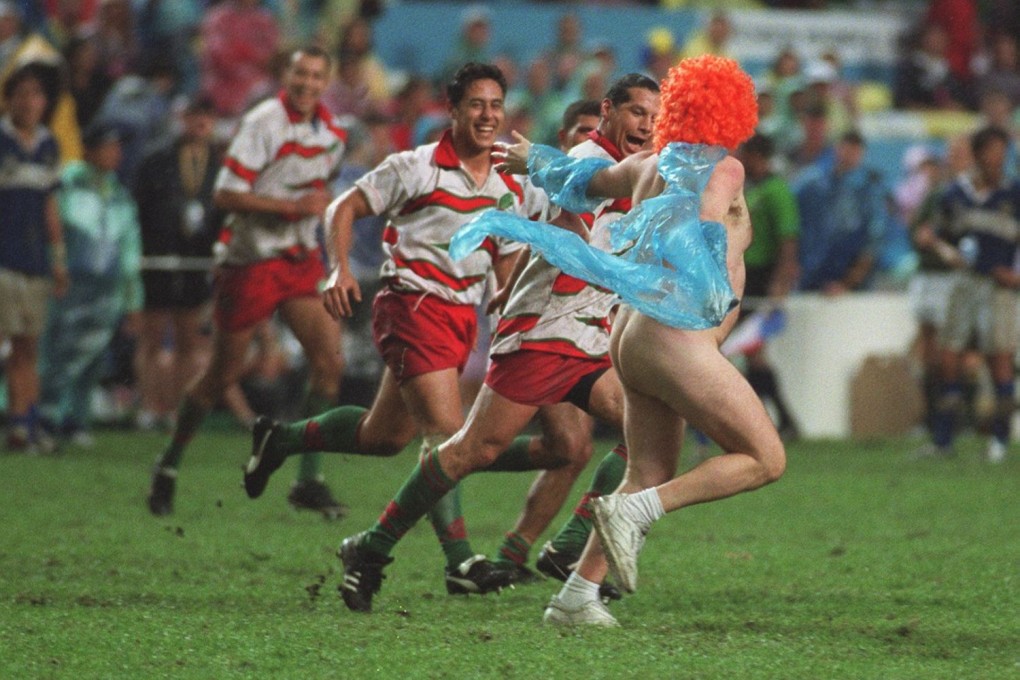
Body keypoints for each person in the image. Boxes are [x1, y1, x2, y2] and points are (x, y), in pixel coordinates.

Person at [480, 54, 785, 626]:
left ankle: (574, 599)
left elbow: (583, 181)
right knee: (765, 459)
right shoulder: (726, 170)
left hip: (631, 336)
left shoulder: (648, 162)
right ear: (731, 114)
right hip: (675, 337)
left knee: (648, 467)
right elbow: (703, 226)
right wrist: (710, 273)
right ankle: (638, 512)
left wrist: (534, 159)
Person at [242, 63, 548, 600]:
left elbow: (502, 257)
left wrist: (508, 301)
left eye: (496, 105)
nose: (488, 115)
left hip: (459, 319)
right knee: (447, 436)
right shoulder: (417, 166)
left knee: (383, 438)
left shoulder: (508, 182)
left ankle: (282, 438)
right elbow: (343, 207)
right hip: (411, 305)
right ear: (452, 111)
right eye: (476, 104)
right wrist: (337, 268)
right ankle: (456, 559)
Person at [146, 46, 346, 517]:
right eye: (300, 73)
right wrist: (291, 208)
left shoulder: (333, 134)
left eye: (317, 76)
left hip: (297, 260)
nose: (307, 83)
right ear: (287, 75)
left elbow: (321, 194)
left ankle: (308, 479)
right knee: (222, 373)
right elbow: (225, 193)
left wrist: (322, 224)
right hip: (251, 260)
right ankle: (170, 462)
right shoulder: (262, 122)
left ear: (326, 82)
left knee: (330, 363)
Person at [37, 120, 142, 446]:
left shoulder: (120, 194)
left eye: (118, 147)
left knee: (94, 357)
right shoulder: (66, 184)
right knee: (61, 352)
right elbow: (52, 232)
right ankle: (45, 417)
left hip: (107, 287)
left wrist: (133, 300)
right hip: (70, 283)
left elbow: (129, 249)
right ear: (89, 149)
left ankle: (76, 420)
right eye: (109, 146)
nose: (116, 153)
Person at [926, 126, 1020, 464]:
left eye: (1003, 152)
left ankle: (999, 440)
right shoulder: (956, 194)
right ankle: (943, 439)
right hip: (964, 282)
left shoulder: (1014, 193)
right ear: (979, 154)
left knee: (1000, 360)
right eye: (993, 151)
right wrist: (937, 246)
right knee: (948, 357)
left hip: (1000, 287)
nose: (999, 159)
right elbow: (938, 235)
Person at [132, 95, 223, 431]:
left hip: (196, 258)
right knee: (153, 333)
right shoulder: (157, 159)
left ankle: (175, 407)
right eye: (194, 115)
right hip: (158, 255)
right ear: (181, 118)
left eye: (206, 115)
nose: (200, 122)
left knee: (188, 338)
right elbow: (140, 206)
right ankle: (149, 404)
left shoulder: (219, 163)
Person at [0, 62, 67, 452]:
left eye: (36, 95)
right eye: (21, 94)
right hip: (3, 258)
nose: (29, 102)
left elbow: (50, 207)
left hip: (34, 260)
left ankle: (25, 424)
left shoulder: (48, 145)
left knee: (27, 345)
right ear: (8, 99)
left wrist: (58, 258)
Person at [735, 133, 800, 439]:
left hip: (763, 276)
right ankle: (773, 421)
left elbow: (788, 238)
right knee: (751, 352)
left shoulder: (776, 191)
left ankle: (780, 420)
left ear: (757, 156)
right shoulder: (750, 188)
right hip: (745, 275)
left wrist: (780, 283)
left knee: (753, 350)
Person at [794, 130, 888, 294]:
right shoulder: (812, 184)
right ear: (836, 149)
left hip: (852, 285)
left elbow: (873, 242)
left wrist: (847, 283)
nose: (849, 155)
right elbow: (792, 227)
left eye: (855, 151)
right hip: (810, 276)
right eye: (845, 149)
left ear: (862, 154)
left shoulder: (870, 190)